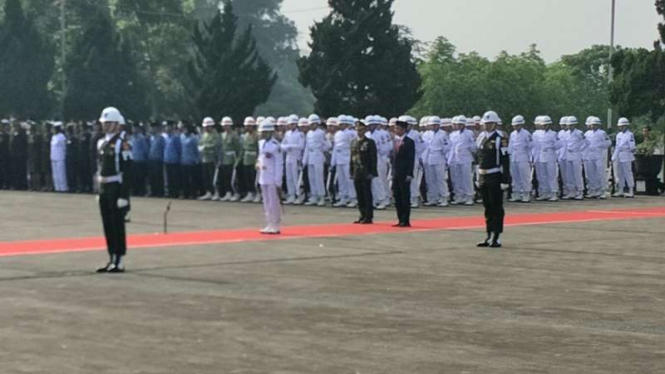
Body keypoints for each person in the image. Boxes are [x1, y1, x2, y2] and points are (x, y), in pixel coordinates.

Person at [96, 107, 131, 273]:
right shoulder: (101, 142)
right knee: (107, 224)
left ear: (117, 124)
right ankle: (111, 257)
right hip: (104, 187)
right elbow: (100, 167)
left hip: (116, 187)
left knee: (117, 224)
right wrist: (98, 190)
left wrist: (124, 195)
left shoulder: (122, 143)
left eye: (108, 123)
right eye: (104, 123)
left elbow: (128, 170)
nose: (105, 126)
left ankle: (119, 258)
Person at [476, 111, 511, 248]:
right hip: (483, 175)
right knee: (487, 207)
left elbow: (505, 160)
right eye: (486, 124)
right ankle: (488, 234)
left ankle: (496, 236)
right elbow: (478, 158)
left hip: (495, 175)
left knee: (496, 207)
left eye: (490, 123)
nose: (488, 126)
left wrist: (505, 180)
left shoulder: (500, 138)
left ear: (496, 124)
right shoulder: (481, 137)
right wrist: (478, 177)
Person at [257, 119, 284, 234]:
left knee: (274, 202)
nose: (262, 134)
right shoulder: (261, 143)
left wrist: (278, 180)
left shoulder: (275, 145)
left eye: (264, 132)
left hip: (272, 177)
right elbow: (260, 157)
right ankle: (269, 223)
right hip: (263, 176)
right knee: (266, 202)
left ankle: (275, 224)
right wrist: (258, 164)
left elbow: (279, 163)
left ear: (269, 132)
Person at [350, 120, 377, 224]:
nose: (359, 132)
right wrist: (351, 171)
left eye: (361, 130)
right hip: (357, 171)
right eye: (357, 130)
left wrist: (372, 172)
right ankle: (362, 214)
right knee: (359, 194)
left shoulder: (369, 142)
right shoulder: (353, 142)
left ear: (365, 130)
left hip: (366, 171)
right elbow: (352, 158)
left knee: (367, 194)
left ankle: (368, 216)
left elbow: (373, 158)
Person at [391, 120, 415, 227]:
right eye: (395, 128)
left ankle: (406, 220)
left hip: (405, 173)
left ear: (404, 130)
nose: (396, 130)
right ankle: (400, 218)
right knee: (397, 196)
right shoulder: (395, 141)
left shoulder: (409, 141)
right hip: (396, 173)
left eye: (398, 129)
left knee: (405, 196)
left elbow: (411, 159)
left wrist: (409, 173)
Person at [303, 114, 329, 206]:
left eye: (313, 124)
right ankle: (314, 195)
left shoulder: (321, 132)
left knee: (319, 178)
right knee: (312, 177)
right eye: (310, 124)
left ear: (317, 124)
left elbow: (327, 145)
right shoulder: (309, 133)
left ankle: (321, 196)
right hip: (310, 156)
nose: (311, 126)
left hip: (318, 156)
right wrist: (304, 160)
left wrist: (321, 150)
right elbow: (307, 147)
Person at [584, 116, 612, 199]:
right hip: (589, 155)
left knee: (600, 173)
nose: (593, 126)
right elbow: (584, 144)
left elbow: (608, 142)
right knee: (590, 174)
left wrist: (601, 146)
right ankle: (593, 190)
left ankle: (602, 191)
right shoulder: (587, 133)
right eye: (592, 125)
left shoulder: (602, 133)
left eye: (595, 125)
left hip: (599, 155)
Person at [281, 114, 306, 205]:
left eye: (293, 124)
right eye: (290, 124)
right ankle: (291, 194)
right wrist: (287, 147)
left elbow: (301, 146)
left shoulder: (300, 134)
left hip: (296, 157)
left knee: (296, 177)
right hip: (289, 156)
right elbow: (282, 145)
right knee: (289, 177)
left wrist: (290, 146)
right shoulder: (287, 134)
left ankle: (298, 195)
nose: (291, 126)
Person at [508, 115, 533, 203]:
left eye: (517, 125)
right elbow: (510, 146)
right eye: (514, 125)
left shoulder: (526, 134)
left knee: (525, 176)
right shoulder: (512, 134)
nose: (515, 127)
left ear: (521, 125)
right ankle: (516, 193)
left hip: (523, 156)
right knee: (515, 176)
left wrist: (530, 158)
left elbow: (530, 147)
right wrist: (509, 155)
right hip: (514, 157)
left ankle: (526, 194)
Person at [561, 116, 587, 200]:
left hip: (576, 155)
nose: (569, 126)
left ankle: (580, 191)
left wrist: (579, 149)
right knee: (569, 175)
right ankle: (571, 191)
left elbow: (586, 143)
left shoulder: (579, 133)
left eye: (571, 125)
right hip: (568, 155)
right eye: (568, 125)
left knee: (577, 174)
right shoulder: (566, 134)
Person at [197, 117, 221, 201]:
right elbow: (200, 143)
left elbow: (215, 145)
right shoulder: (204, 135)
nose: (206, 128)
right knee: (206, 176)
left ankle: (216, 192)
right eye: (205, 127)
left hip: (212, 159)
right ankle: (208, 192)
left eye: (208, 126)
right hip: (205, 158)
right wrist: (200, 148)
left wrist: (205, 147)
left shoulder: (215, 135)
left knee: (213, 177)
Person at [218, 117, 242, 202]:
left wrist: (237, 160)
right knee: (226, 176)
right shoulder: (222, 135)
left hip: (232, 158)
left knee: (233, 177)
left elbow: (238, 149)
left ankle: (236, 192)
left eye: (226, 125)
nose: (225, 127)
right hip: (224, 158)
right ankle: (228, 192)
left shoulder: (234, 135)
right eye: (224, 126)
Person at [612, 117, 636, 197]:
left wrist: (632, 149)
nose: (621, 127)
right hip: (619, 154)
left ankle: (631, 190)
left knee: (627, 173)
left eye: (622, 126)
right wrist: (614, 156)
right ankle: (620, 190)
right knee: (619, 173)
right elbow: (617, 146)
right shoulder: (618, 135)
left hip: (626, 154)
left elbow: (632, 146)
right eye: (620, 126)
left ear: (626, 126)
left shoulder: (630, 135)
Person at [240, 117, 260, 203]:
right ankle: (250, 193)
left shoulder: (257, 136)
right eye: (246, 126)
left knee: (254, 177)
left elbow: (259, 149)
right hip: (246, 159)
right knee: (247, 177)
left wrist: (258, 160)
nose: (247, 128)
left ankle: (258, 193)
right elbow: (243, 148)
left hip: (254, 158)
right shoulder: (245, 136)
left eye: (249, 126)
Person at [163, 122, 182, 198]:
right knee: (169, 178)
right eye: (166, 127)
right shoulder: (165, 137)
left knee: (175, 178)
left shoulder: (176, 137)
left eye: (169, 127)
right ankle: (170, 192)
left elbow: (179, 149)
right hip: (167, 160)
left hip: (174, 160)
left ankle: (175, 193)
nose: (167, 129)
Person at [131, 122, 149, 197]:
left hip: (141, 161)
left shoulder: (142, 138)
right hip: (133, 161)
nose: (134, 129)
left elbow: (145, 150)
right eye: (133, 127)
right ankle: (135, 192)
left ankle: (142, 192)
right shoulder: (131, 138)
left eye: (136, 128)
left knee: (141, 178)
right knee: (134, 178)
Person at [148, 122, 165, 197]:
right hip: (151, 159)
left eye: (153, 127)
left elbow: (164, 148)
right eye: (151, 127)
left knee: (158, 176)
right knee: (152, 177)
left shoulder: (161, 138)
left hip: (158, 160)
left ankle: (160, 192)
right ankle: (153, 191)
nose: (151, 129)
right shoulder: (151, 137)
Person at [10, 120, 28, 190]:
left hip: (21, 156)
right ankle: (16, 184)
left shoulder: (22, 135)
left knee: (21, 171)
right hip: (15, 156)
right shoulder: (15, 135)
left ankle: (22, 185)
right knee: (16, 171)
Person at [50, 122, 68, 192]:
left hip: (60, 156)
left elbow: (64, 147)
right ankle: (57, 187)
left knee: (61, 173)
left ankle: (63, 188)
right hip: (53, 156)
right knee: (55, 174)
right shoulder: (53, 136)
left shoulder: (61, 136)